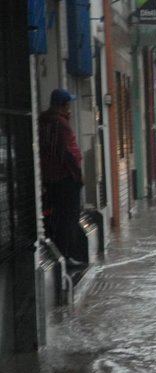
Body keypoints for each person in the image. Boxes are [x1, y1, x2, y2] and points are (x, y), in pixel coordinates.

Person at [38, 88, 85, 267]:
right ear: (63, 105)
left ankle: (60, 255)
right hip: (66, 179)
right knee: (68, 218)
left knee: (58, 218)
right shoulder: (60, 124)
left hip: (51, 179)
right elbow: (66, 152)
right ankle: (65, 256)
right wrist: (77, 175)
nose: (70, 108)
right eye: (68, 104)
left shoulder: (45, 122)